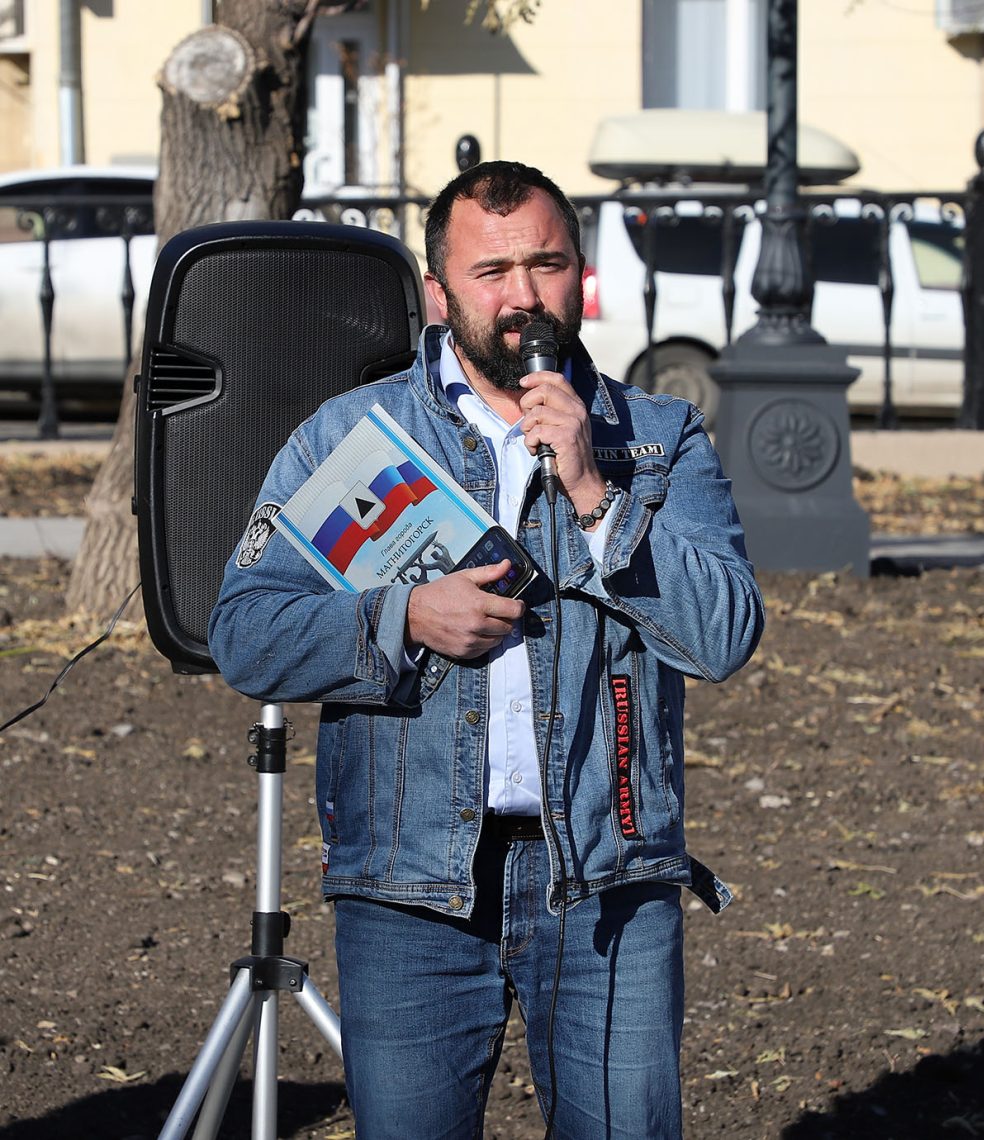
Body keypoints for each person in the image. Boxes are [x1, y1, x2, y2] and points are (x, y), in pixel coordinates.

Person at [209, 160, 764, 1138]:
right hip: (409, 883)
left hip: (607, 878)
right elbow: (246, 634)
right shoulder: (353, 437)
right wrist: (401, 617)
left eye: (545, 265)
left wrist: (596, 496)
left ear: (579, 274)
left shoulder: (659, 439)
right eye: (491, 272)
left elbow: (722, 636)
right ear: (437, 293)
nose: (523, 297)